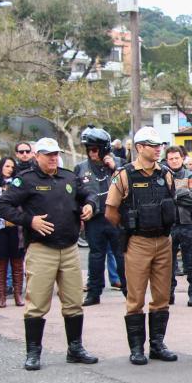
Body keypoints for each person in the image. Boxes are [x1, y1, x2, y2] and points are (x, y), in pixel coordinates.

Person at [0, 138, 98, 370]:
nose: (53, 158)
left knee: (73, 302)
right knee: (37, 303)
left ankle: (75, 348)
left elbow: (88, 192)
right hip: (42, 249)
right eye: (48, 154)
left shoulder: (68, 176)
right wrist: (28, 221)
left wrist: (91, 204)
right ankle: (33, 352)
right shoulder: (27, 180)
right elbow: (2, 206)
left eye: (55, 154)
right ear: (36, 155)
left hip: (69, 248)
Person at [105, 127, 179, 366]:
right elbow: (110, 211)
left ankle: (157, 345)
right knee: (135, 298)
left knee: (161, 296)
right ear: (139, 147)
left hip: (163, 241)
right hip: (138, 242)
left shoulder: (166, 174)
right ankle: (137, 348)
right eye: (152, 145)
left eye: (159, 145)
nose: (158, 149)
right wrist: (128, 229)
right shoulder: (124, 174)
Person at [75, 126, 125, 306]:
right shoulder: (80, 168)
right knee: (96, 256)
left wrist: (115, 167)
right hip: (95, 219)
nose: (92, 153)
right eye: (89, 149)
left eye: (95, 149)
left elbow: (128, 185)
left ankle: (128, 291)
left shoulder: (119, 163)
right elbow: (76, 195)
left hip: (116, 218)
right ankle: (94, 292)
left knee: (121, 256)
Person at [164, 145, 192, 306]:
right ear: (167, 160)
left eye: (177, 158)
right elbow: (160, 199)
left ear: (182, 158)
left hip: (188, 224)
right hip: (168, 225)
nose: (174, 161)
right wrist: (182, 193)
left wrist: (172, 195)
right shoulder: (162, 176)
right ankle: (168, 294)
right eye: (171, 158)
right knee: (167, 264)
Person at [0, 157, 25, 308]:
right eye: (7, 166)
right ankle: (2, 296)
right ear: (1, 167)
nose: (9, 169)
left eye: (12, 166)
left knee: (17, 262)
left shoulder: (18, 183)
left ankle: (17, 294)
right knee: (1, 262)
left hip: (16, 227)